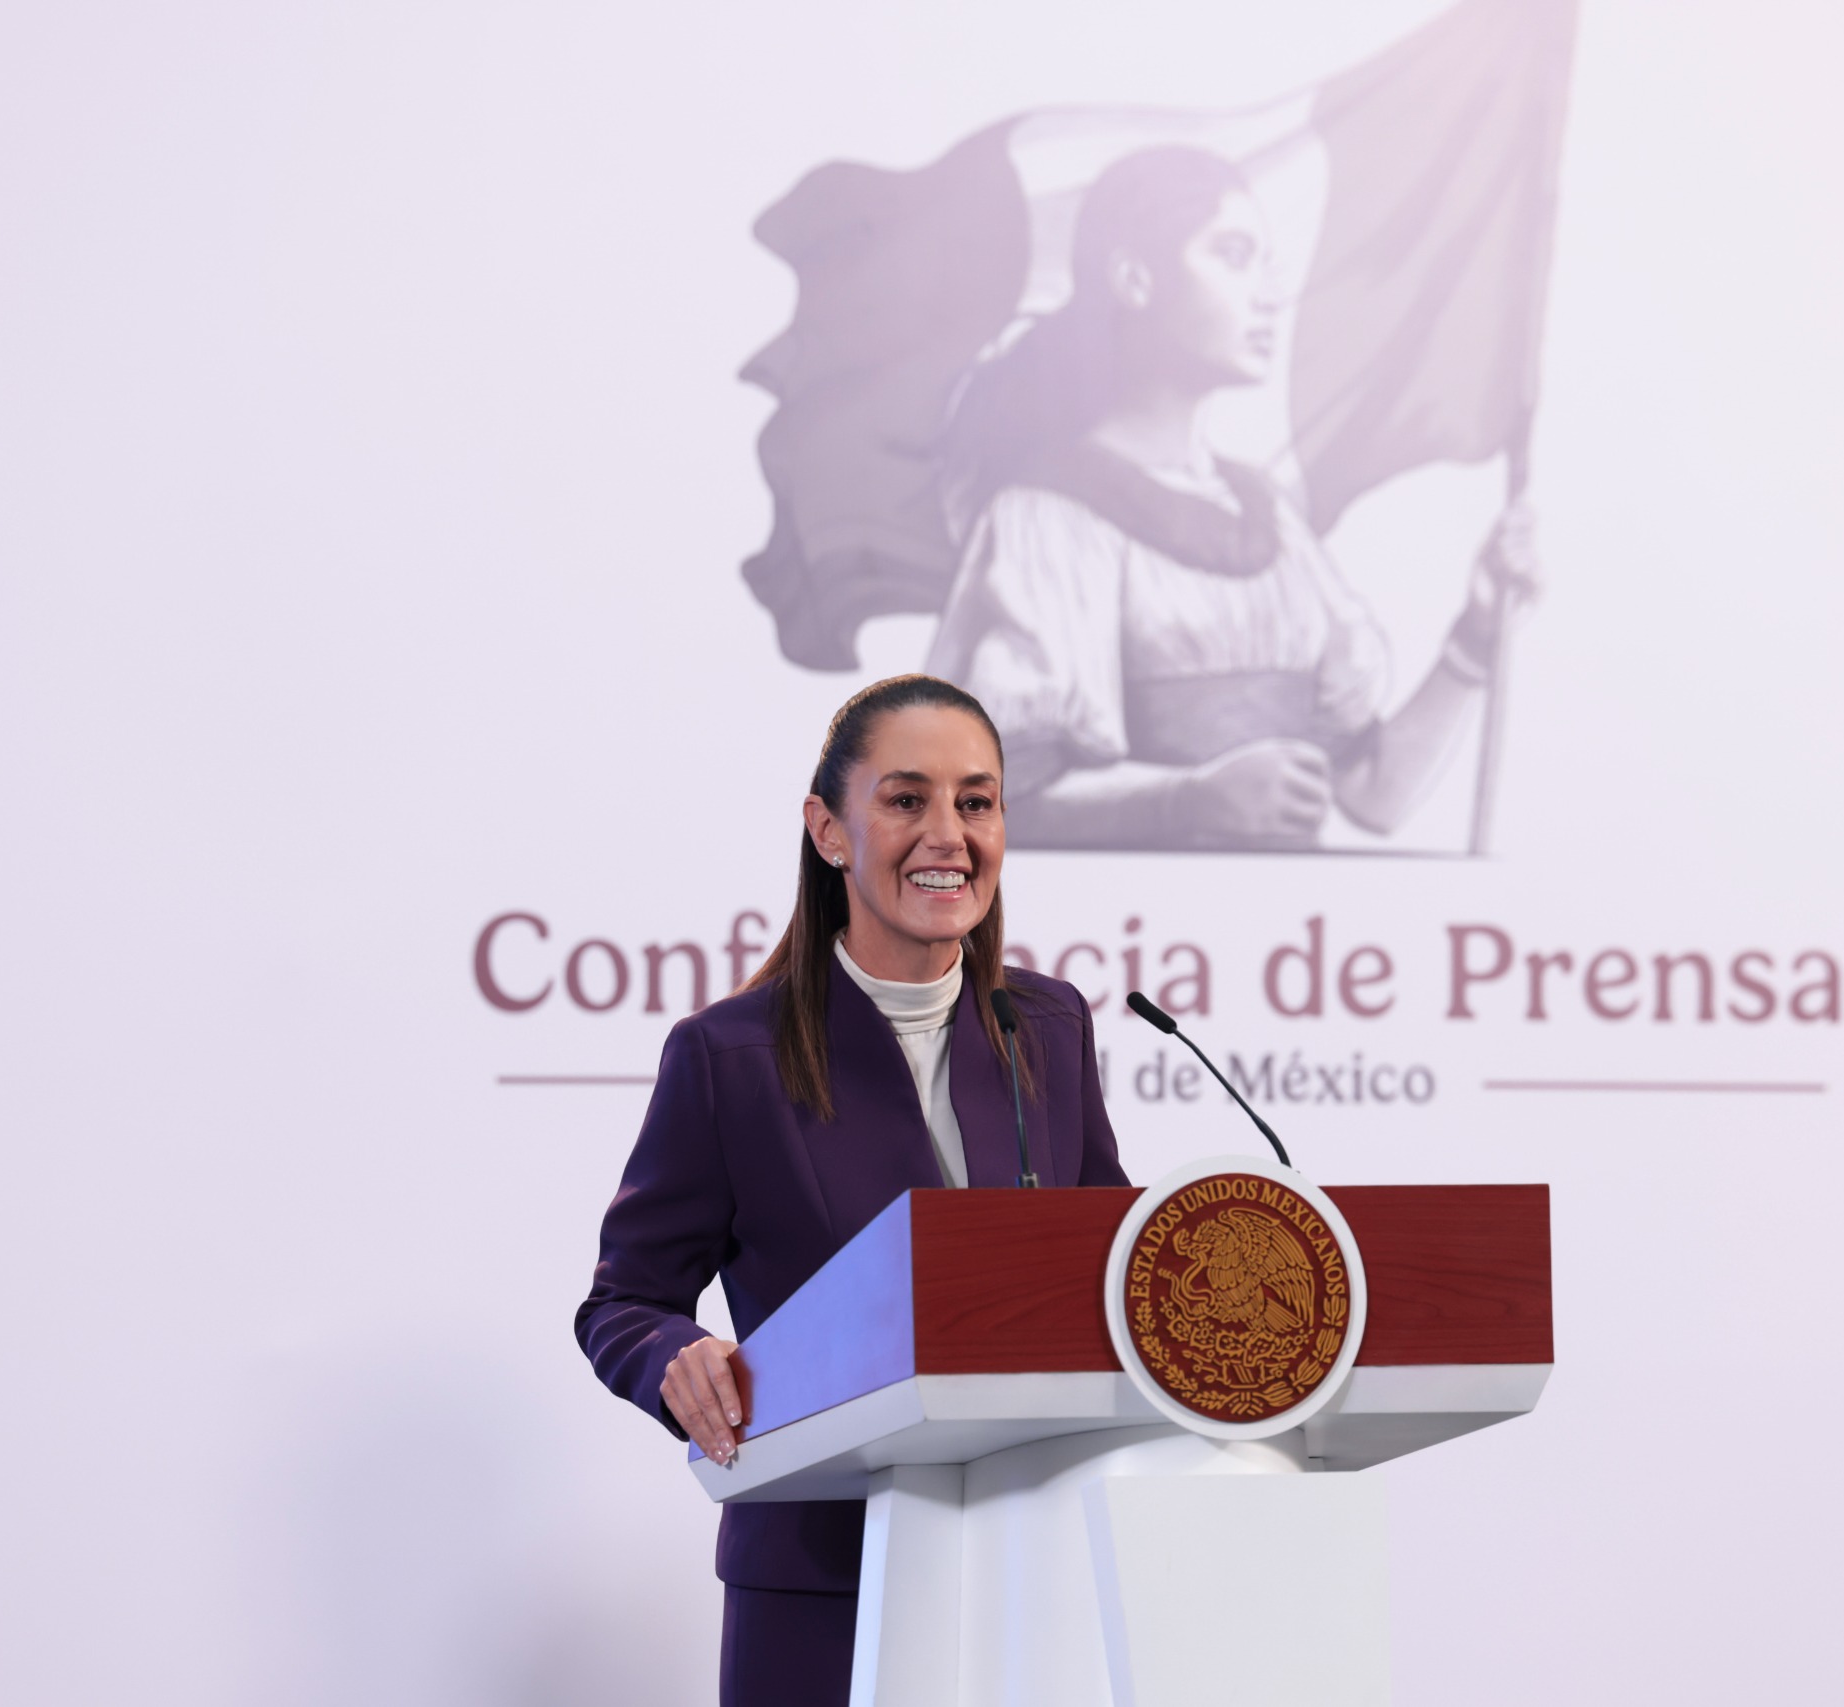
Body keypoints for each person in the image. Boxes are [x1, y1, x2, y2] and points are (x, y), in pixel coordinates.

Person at [574, 674, 1131, 1707]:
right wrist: (675, 1357)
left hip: (1033, 1563)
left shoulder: (1045, 1027)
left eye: (976, 801)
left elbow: (1111, 1269)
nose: (947, 834)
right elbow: (622, 1302)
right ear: (830, 830)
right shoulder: (729, 1056)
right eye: (905, 799)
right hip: (825, 1578)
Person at [926, 145, 1540, 850]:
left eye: (1263, 262)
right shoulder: (1046, 517)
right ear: (1134, 278)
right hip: (1132, 944)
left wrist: (1477, 633)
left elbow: (1374, 796)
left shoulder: (1269, 518)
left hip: (1283, 946)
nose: (1268, 294)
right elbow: (990, 805)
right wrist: (1189, 800)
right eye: (1232, 254)